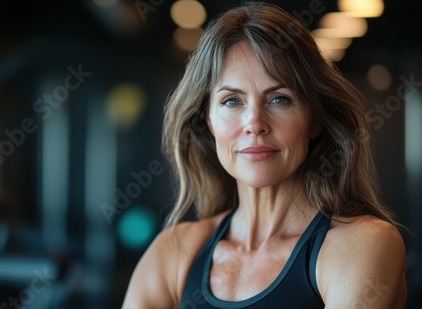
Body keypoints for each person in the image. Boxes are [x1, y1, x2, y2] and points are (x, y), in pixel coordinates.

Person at [122, 2, 407, 308]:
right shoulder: (174, 251)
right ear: (207, 120)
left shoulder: (362, 244)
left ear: (315, 121)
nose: (255, 124)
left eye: (279, 99)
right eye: (232, 101)